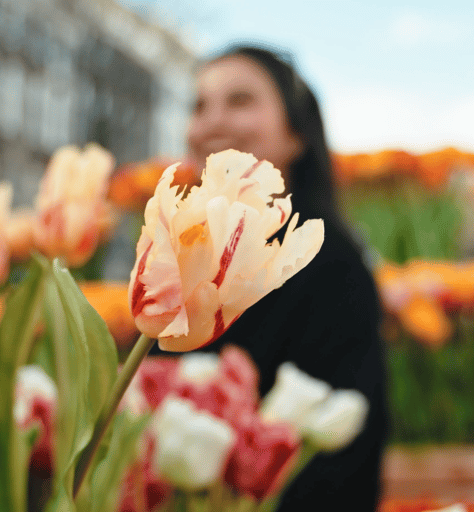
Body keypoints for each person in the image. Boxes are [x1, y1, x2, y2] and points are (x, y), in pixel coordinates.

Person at [156, 43, 389, 510]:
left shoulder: (332, 266)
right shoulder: (180, 257)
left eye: (240, 101)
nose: (210, 124)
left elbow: (346, 454)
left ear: (297, 135)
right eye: (199, 106)